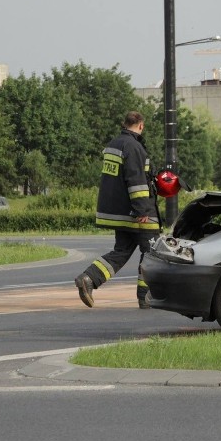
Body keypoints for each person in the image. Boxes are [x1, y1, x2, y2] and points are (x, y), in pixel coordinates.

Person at [75, 111, 159, 309]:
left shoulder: (113, 145)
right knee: (151, 253)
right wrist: (143, 210)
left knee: (121, 251)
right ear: (141, 125)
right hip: (137, 213)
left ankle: (88, 278)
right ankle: (145, 296)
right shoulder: (134, 147)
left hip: (120, 213)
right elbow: (136, 182)